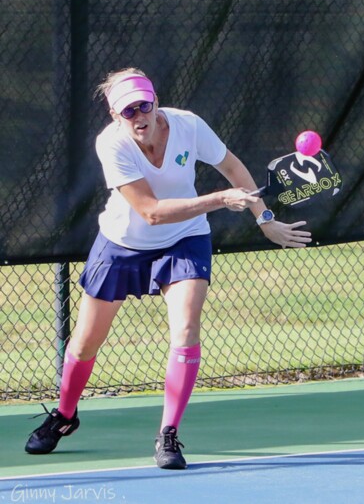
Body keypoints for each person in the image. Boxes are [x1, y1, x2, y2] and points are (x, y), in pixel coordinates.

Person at [25, 68, 312, 469]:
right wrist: (217, 200)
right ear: (114, 115)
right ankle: (65, 415)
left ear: (155, 101)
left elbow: (232, 168)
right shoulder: (112, 144)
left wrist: (264, 218)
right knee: (86, 342)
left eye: (144, 104)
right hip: (123, 242)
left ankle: (168, 434)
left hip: (185, 239)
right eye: (128, 111)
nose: (138, 115)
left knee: (186, 330)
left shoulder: (188, 125)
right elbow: (151, 212)